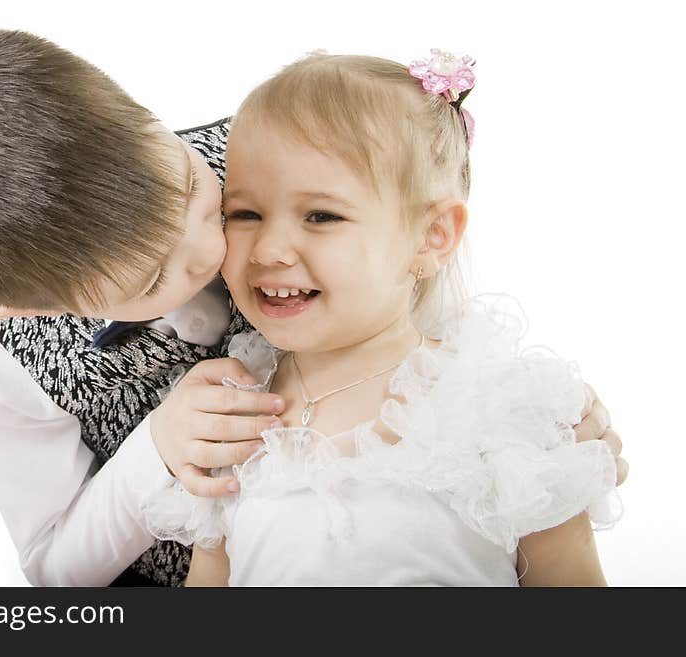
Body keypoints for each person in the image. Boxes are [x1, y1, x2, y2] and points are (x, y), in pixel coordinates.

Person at [0, 29, 625, 586]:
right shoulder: (4, 355)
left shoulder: (269, 152)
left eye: (198, 192)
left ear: (145, 118)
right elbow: (56, 572)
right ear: (33, 307)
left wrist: (536, 422)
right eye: (154, 271)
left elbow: (413, 257)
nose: (213, 248)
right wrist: (159, 449)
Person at [145, 51, 623, 586]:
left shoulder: (497, 409)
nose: (271, 249)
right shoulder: (232, 418)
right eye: (246, 213)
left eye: (321, 216)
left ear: (432, 235)